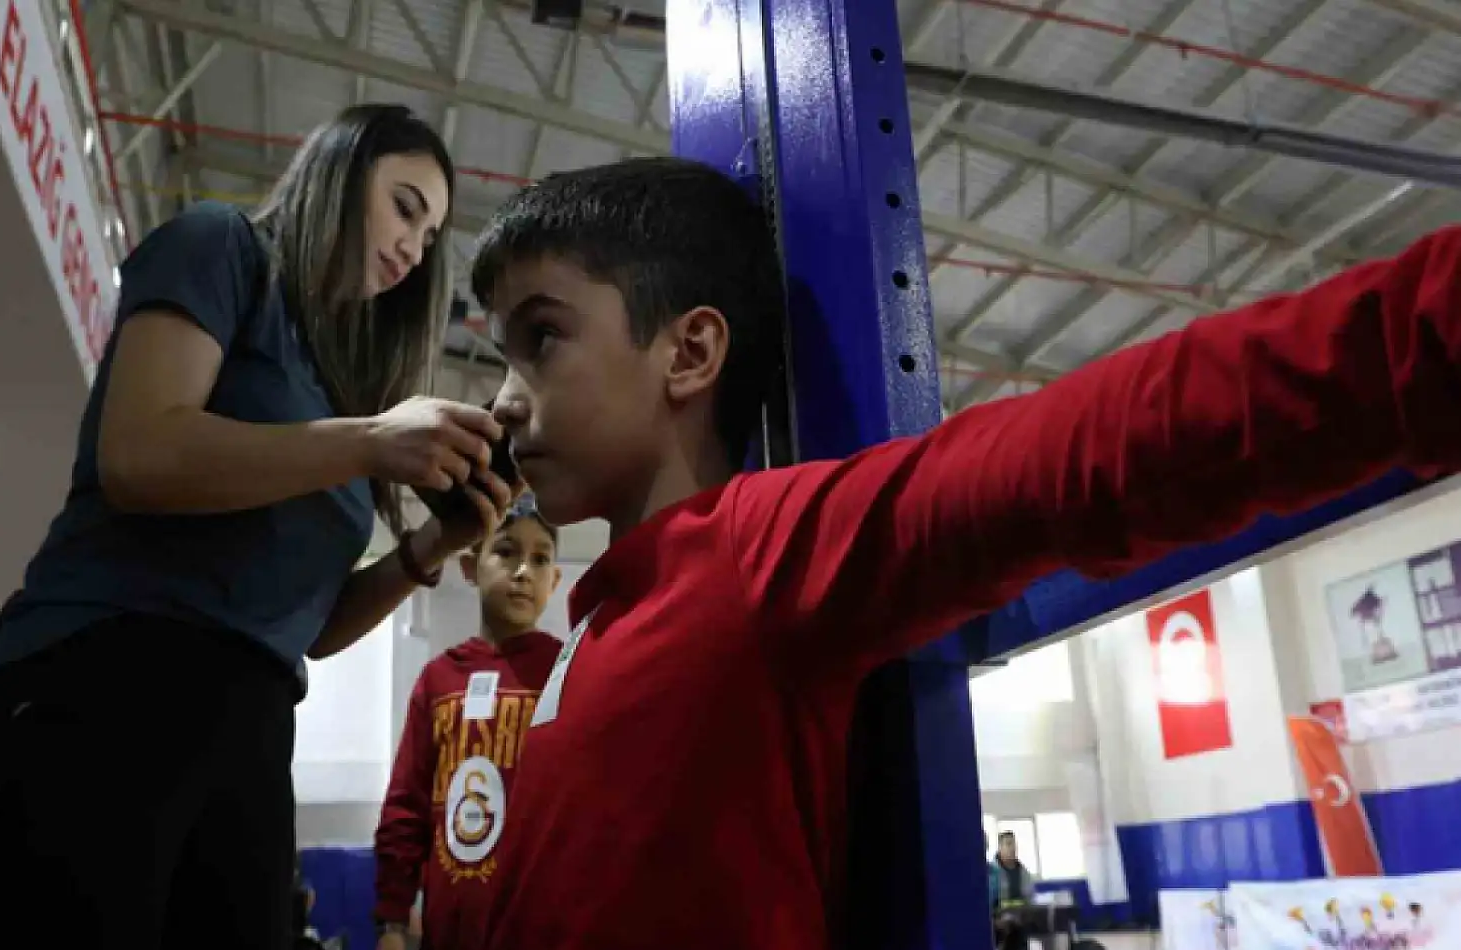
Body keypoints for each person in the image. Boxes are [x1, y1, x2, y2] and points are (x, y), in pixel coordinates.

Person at [463, 156, 1461, 949]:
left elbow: (1100, 443)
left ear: (688, 352)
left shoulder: (752, 550)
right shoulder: (586, 627)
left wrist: (1427, 324)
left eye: (539, 337)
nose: (504, 398)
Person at [0, 105, 517, 950]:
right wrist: (368, 441)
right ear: (339, 171)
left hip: (247, 727)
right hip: (103, 681)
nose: (414, 249)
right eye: (404, 207)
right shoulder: (220, 248)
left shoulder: (333, 388)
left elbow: (312, 628)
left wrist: (432, 545)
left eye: (431, 237)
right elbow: (139, 455)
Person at [367, 504, 564, 950]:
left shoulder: (567, 673)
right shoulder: (439, 680)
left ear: (554, 582)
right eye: (507, 552)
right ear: (471, 566)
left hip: (539, 925)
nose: (521, 572)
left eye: (540, 559)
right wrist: (392, 920)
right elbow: (405, 805)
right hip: (451, 927)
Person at [989, 831, 1036, 950]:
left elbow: (1029, 897)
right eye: (1009, 844)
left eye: (1014, 844)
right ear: (1000, 847)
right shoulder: (991, 873)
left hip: (1020, 925)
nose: (1013, 848)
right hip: (999, 928)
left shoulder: (1023, 871)